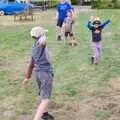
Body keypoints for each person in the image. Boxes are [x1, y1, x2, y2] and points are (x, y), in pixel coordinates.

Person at [22, 26, 54, 120]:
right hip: (45, 73)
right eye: (43, 34)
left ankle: (45, 114)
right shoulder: (41, 44)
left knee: (43, 95)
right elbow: (43, 42)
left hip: (38, 73)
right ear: (41, 36)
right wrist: (42, 37)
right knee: (46, 99)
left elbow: (31, 64)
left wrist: (27, 77)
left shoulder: (34, 47)